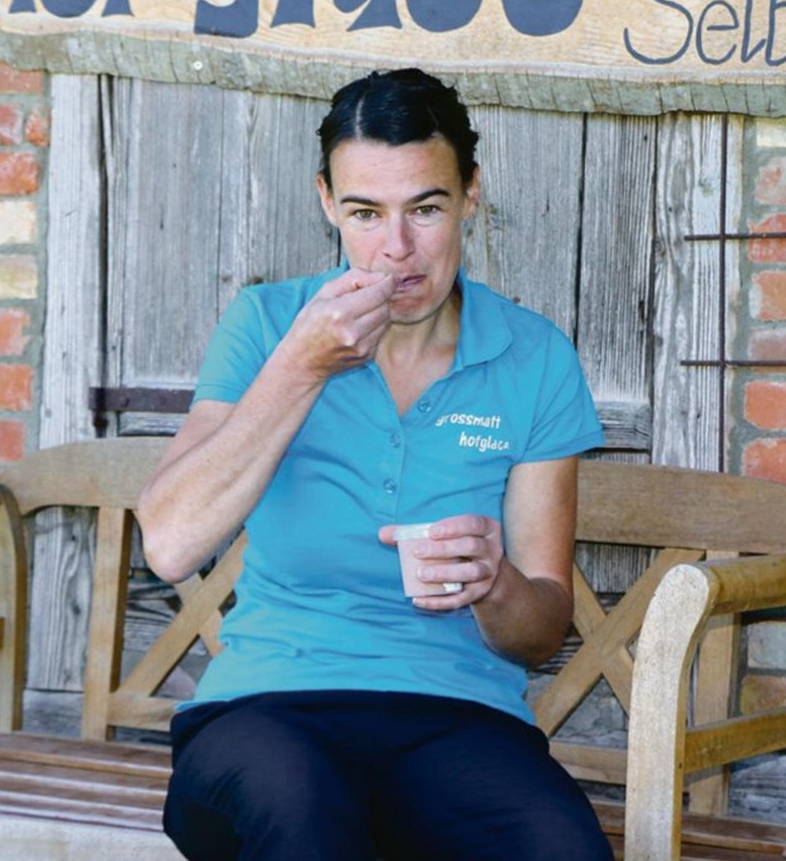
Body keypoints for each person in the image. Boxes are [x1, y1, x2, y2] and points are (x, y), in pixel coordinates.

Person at [135, 68, 613, 860]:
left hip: (457, 718)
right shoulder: (267, 326)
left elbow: (539, 634)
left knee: (562, 848)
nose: (397, 250)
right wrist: (303, 366)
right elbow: (172, 544)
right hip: (268, 709)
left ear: (470, 194)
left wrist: (494, 583)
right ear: (327, 202)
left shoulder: (535, 357)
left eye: (425, 208)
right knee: (303, 822)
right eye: (365, 213)